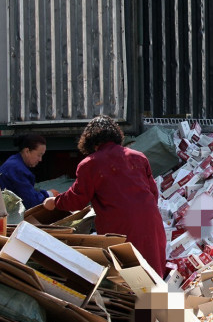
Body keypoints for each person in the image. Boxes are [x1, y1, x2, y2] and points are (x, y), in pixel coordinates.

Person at [43, 115, 167, 277]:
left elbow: (77, 199)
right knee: (153, 274)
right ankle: (159, 302)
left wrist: (54, 202)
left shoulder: (90, 164)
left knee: (127, 279)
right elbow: (153, 192)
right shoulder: (138, 157)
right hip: (151, 223)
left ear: (90, 141)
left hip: (120, 229)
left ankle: (133, 303)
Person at [0, 134, 59, 209]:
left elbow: (27, 192)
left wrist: (46, 193)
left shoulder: (14, 163)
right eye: (39, 155)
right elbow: (31, 202)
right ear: (27, 151)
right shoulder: (17, 169)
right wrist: (49, 195)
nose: (40, 159)